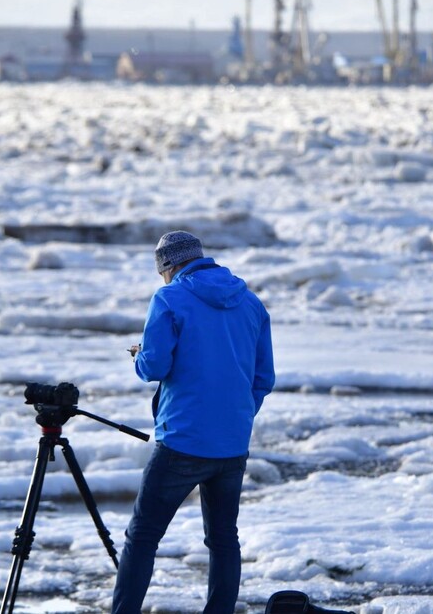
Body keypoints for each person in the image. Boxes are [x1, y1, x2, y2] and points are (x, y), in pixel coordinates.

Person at [112, 230, 275, 614]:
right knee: (223, 539)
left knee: (142, 537)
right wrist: (234, 416)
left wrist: (138, 355)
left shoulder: (169, 298)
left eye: (161, 272)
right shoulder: (250, 302)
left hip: (182, 440)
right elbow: (263, 377)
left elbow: (155, 366)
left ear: (168, 266)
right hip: (232, 443)